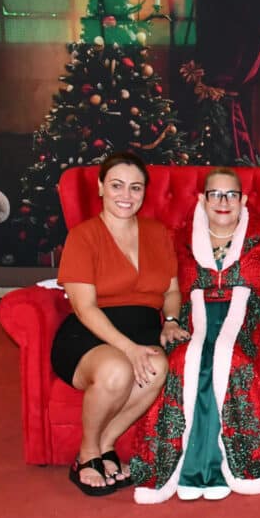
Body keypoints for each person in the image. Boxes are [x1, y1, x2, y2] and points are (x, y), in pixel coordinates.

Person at [129, 168, 260, 503]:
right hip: (192, 320)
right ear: (202, 199)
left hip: (248, 322)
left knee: (236, 362)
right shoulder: (178, 239)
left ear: (243, 200)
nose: (223, 202)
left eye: (231, 195)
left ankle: (220, 469)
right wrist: (167, 319)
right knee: (182, 362)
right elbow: (153, 278)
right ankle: (186, 470)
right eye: (215, 194)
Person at [51, 151, 183, 496]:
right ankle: (87, 454)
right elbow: (84, 308)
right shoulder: (83, 236)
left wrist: (170, 320)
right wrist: (129, 349)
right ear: (100, 188)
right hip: (90, 333)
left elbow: (171, 291)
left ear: (144, 192)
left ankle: (106, 444)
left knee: (157, 367)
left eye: (135, 187)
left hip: (143, 328)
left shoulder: (157, 233)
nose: (126, 195)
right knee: (117, 370)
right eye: (117, 185)